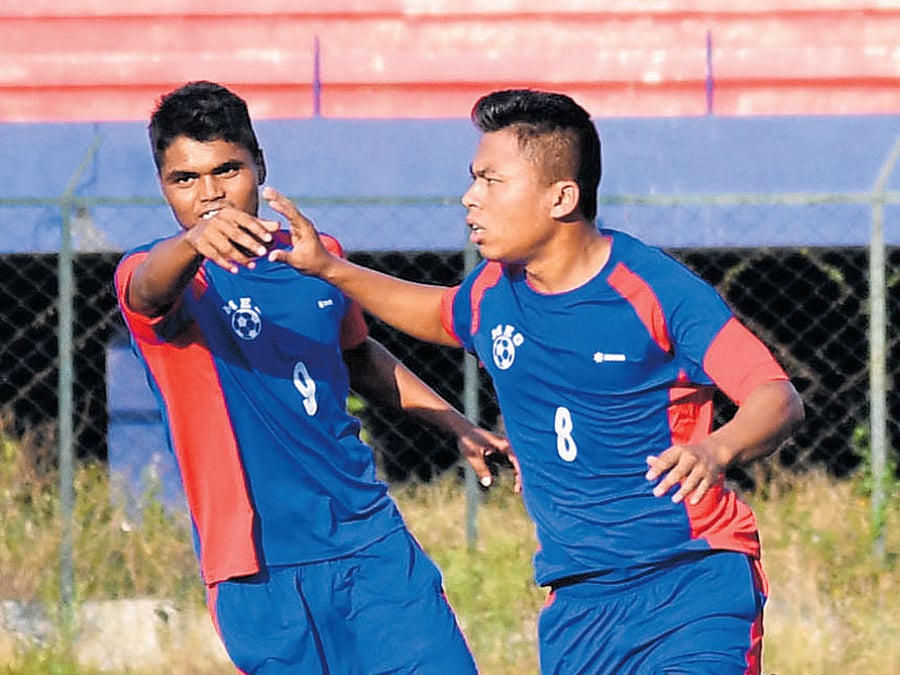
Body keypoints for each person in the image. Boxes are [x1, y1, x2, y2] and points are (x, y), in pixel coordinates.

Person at [265, 88, 806, 674]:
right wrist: (328, 269)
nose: (470, 198)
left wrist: (716, 447)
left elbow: (776, 395)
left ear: (561, 197)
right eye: (473, 179)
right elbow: (436, 313)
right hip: (577, 603)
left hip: (691, 581)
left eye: (492, 181)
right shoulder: (494, 291)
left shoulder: (656, 291)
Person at [114, 80, 510, 674]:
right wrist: (191, 244)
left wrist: (455, 424)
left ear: (259, 165)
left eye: (227, 170)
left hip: (369, 543)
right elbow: (146, 290)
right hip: (258, 570)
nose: (211, 194)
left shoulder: (313, 254)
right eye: (185, 179)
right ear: (164, 187)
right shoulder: (168, 279)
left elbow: (355, 355)